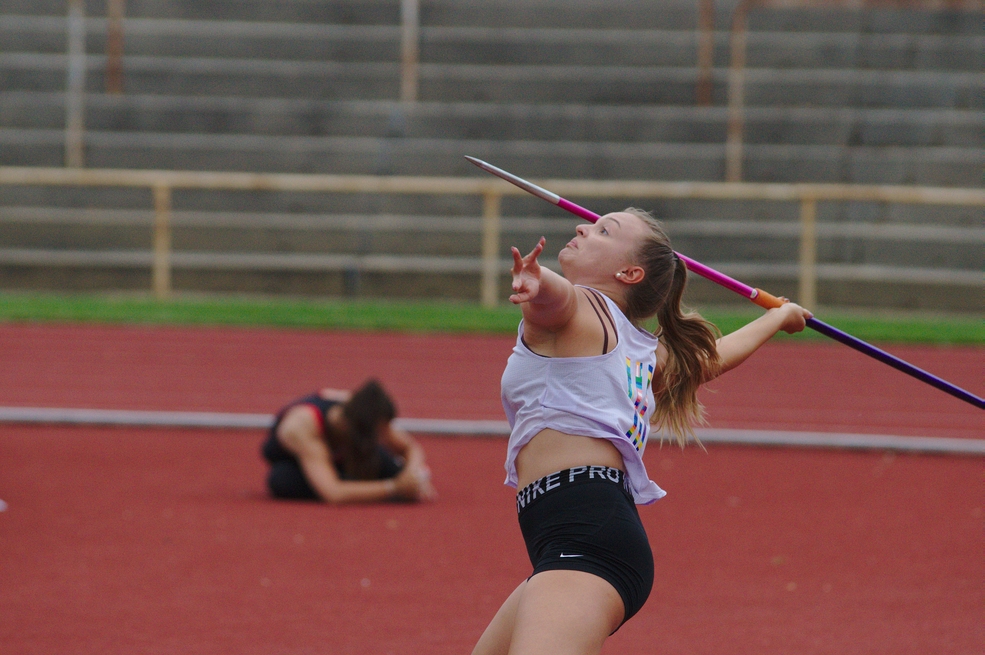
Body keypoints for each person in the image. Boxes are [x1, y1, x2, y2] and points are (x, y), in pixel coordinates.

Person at [471, 208, 812, 654]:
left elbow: (560, 300)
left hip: (585, 543)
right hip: (578, 542)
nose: (582, 227)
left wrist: (542, 283)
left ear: (629, 273)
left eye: (603, 230)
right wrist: (777, 319)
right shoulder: (638, 349)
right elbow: (707, 361)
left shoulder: (581, 308)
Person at [261, 378, 435, 503]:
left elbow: (410, 447)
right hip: (300, 463)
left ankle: (362, 484)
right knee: (281, 480)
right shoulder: (302, 428)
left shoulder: (364, 411)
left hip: (345, 451)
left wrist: (412, 474)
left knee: (392, 470)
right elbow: (333, 493)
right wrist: (393, 487)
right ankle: (359, 484)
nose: (383, 439)